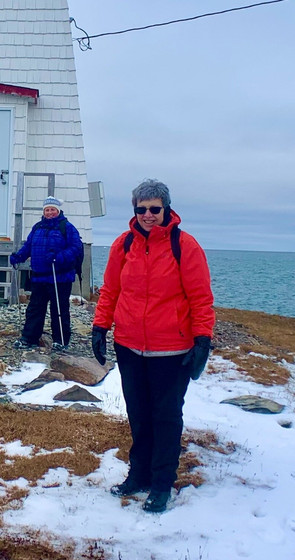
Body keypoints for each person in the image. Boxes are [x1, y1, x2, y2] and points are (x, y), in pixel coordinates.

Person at [91, 179, 214, 513]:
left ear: (166, 209)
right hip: (130, 347)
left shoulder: (185, 246)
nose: (148, 215)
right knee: (139, 415)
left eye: (154, 209)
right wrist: (100, 327)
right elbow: (110, 290)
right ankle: (139, 474)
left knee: (166, 417)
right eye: (141, 209)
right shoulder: (123, 244)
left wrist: (202, 340)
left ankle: (161, 484)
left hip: (172, 351)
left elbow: (201, 298)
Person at [9, 196, 84, 351]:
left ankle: (61, 340)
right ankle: (29, 338)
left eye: (52, 210)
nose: (50, 212)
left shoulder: (67, 227)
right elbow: (29, 246)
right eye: (47, 210)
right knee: (35, 308)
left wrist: (58, 257)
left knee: (59, 309)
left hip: (60, 277)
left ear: (58, 211)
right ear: (44, 211)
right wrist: (19, 256)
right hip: (39, 276)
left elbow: (76, 248)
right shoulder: (37, 227)